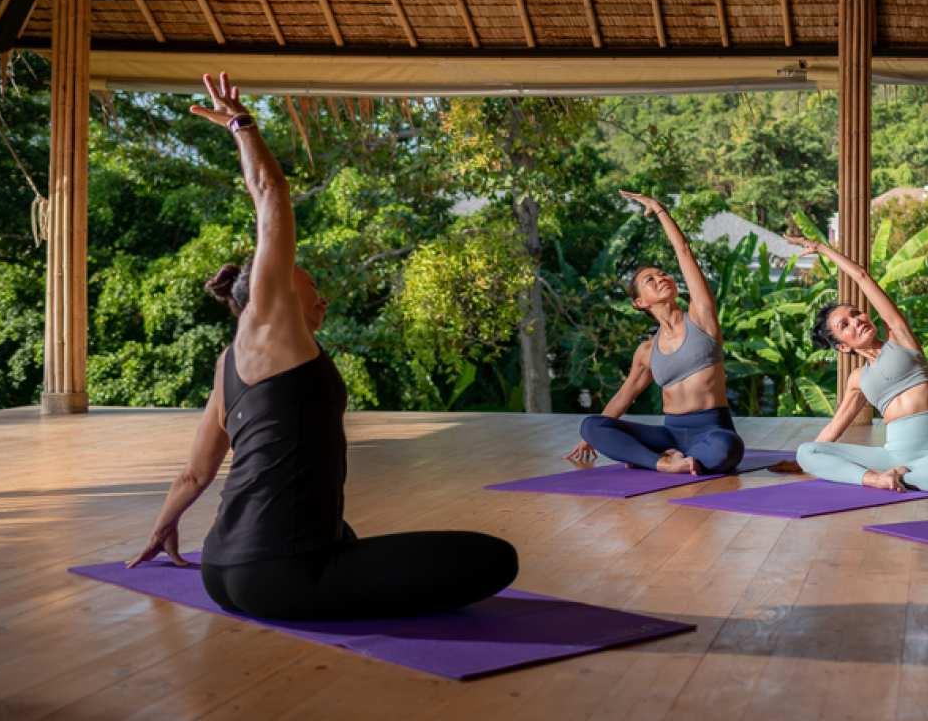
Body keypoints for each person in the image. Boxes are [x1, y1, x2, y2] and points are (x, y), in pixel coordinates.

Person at [128, 72, 518, 621]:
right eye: (309, 285)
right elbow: (271, 194)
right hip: (280, 576)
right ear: (275, 295)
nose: (323, 297)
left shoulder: (227, 365)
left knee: (345, 534)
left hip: (221, 570)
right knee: (493, 559)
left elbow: (194, 474)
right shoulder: (269, 325)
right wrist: (243, 125)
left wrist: (165, 525)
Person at [568, 191, 744, 475]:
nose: (661, 278)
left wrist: (660, 211)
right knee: (591, 426)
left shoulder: (701, 319)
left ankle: (669, 458)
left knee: (728, 448)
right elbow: (625, 395)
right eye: (650, 280)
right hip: (670, 433)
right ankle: (664, 461)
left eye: (663, 274)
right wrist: (591, 439)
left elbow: (684, 252)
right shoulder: (647, 351)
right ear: (639, 303)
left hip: (712, 429)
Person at [786, 233, 928, 493]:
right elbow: (834, 428)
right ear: (843, 346)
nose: (857, 320)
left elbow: (861, 277)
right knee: (807, 451)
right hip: (891, 457)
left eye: (856, 313)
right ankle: (877, 479)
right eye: (844, 325)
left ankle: (902, 477)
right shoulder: (859, 379)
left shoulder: (901, 340)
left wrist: (822, 249)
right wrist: (805, 462)